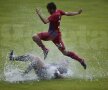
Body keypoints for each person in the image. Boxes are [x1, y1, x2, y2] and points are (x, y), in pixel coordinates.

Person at [32, 2, 87, 69]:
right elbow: (67, 13)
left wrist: (39, 14)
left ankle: (45, 49)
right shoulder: (59, 11)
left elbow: (45, 21)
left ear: (51, 9)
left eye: (48, 10)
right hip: (54, 35)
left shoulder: (54, 15)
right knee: (65, 52)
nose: (48, 12)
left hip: (53, 35)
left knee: (35, 36)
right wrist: (77, 13)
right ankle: (80, 60)